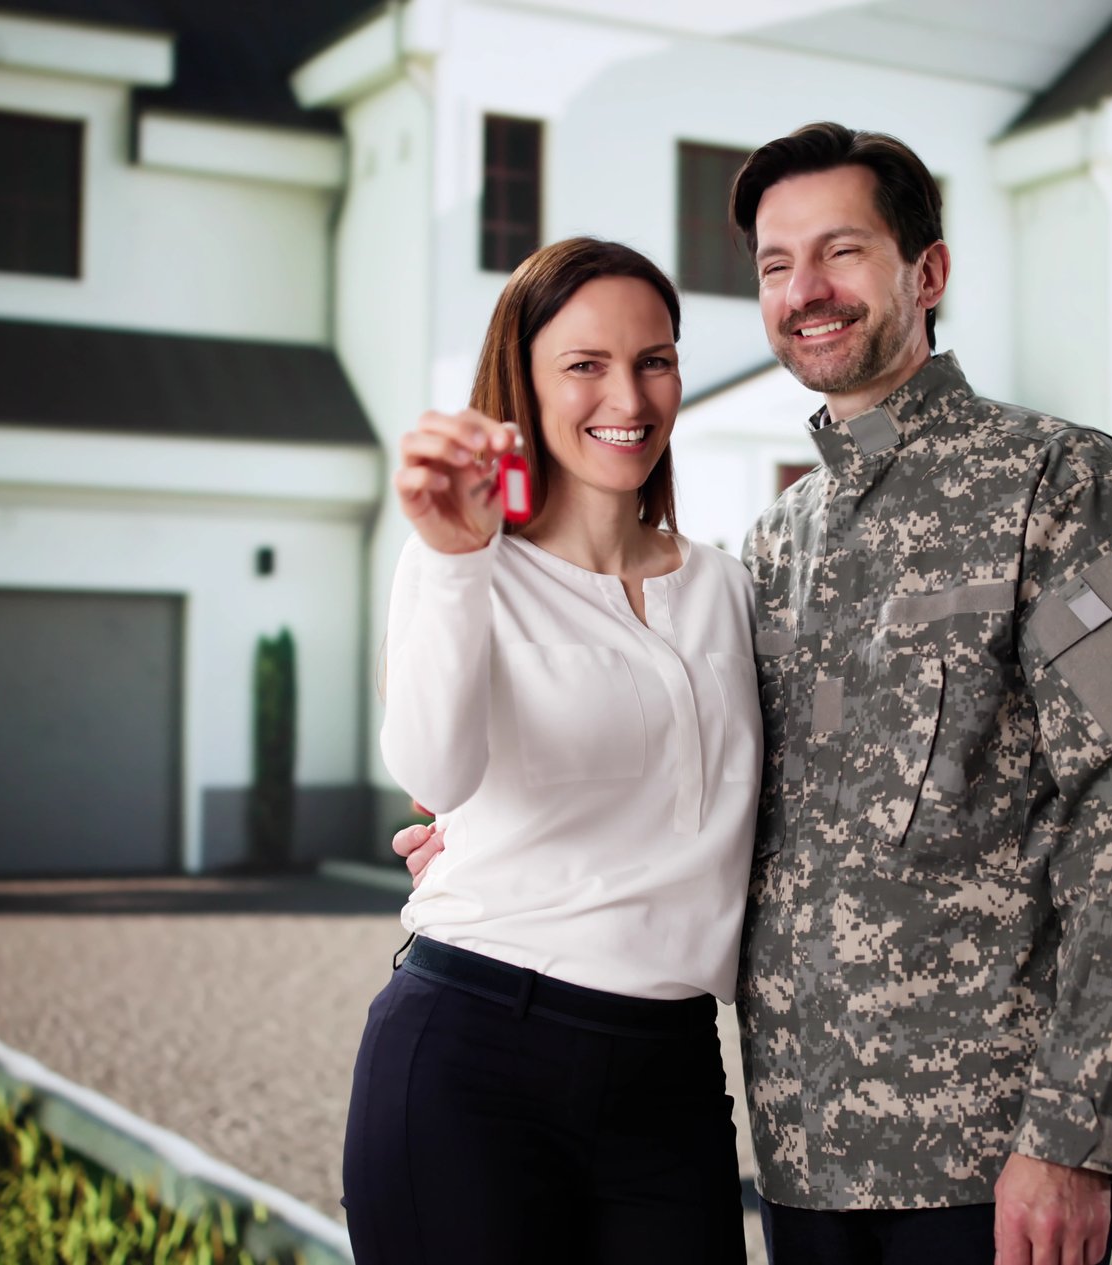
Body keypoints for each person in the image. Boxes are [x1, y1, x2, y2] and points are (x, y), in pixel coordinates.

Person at [398, 122, 1112, 1265]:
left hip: (987, 1150)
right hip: (802, 1150)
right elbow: (715, 784)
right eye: (776, 265)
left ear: (926, 272)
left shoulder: (1063, 484)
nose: (806, 291)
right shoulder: (773, 550)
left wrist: (1077, 1130)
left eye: (842, 253)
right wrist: (502, 841)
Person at [344, 236, 756, 1265]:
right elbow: (434, 773)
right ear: (523, 383)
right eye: (585, 363)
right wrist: (452, 556)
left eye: (655, 358)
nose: (630, 392)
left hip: (671, 1070)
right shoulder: (464, 564)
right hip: (476, 1047)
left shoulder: (730, 589)